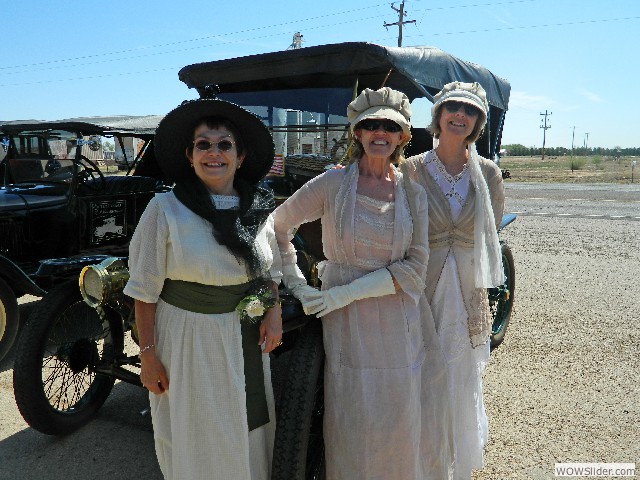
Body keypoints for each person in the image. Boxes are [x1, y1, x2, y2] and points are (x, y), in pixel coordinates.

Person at [274, 87, 453, 480]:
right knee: (354, 412)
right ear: (356, 132)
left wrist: (343, 293)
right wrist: (299, 284)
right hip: (347, 321)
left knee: (397, 409)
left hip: (397, 313)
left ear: (403, 135)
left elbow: (416, 266)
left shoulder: (413, 193)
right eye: (370, 124)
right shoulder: (332, 183)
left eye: (389, 125)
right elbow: (277, 227)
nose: (379, 132)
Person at [123, 98, 283, 480]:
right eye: (204, 144)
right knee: (196, 430)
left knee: (247, 428)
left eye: (224, 144)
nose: (215, 152)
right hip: (187, 340)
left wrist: (273, 313)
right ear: (190, 155)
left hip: (245, 336)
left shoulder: (259, 209)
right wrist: (147, 356)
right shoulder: (165, 209)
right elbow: (144, 290)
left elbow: (270, 270)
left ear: (240, 156)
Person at [401, 81, 505, 480]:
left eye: (470, 110)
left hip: (465, 290)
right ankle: (421, 458)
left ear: (477, 121)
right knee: (421, 369)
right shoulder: (410, 169)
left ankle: (452, 462)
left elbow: (490, 231)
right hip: (423, 284)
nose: (460, 115)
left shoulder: (489, 174)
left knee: (459, 373)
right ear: (439, 116)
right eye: (453, 108)